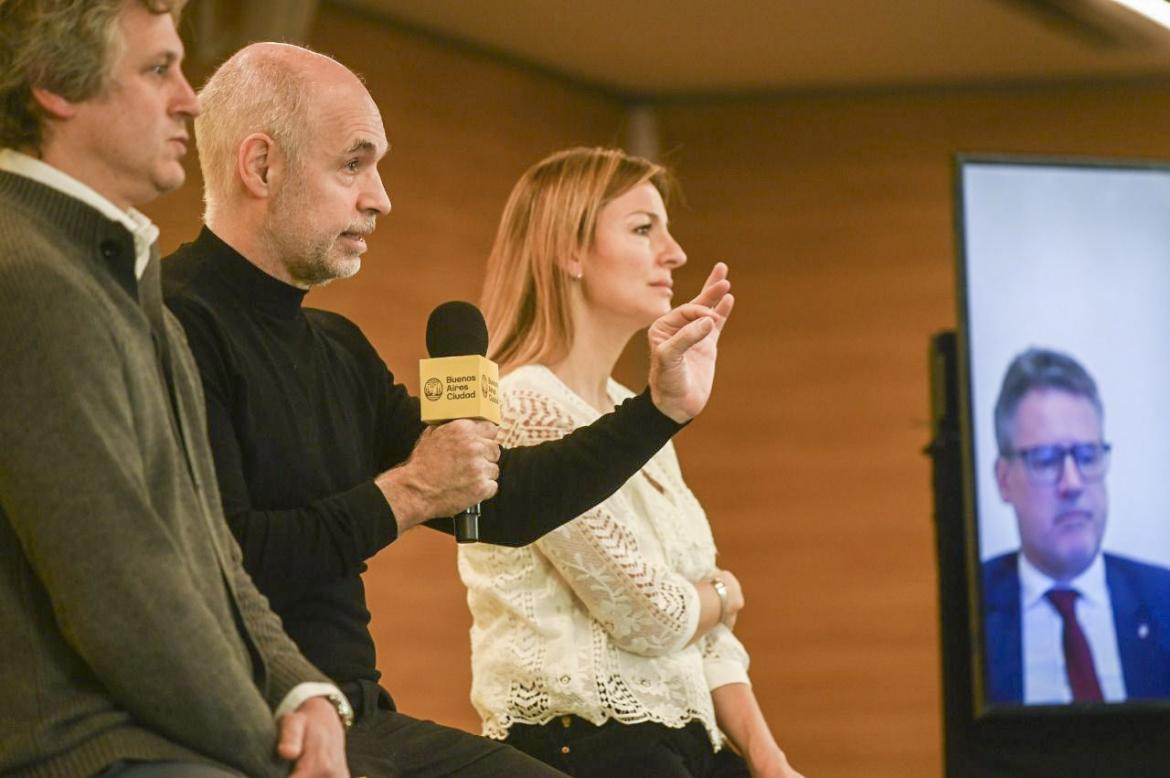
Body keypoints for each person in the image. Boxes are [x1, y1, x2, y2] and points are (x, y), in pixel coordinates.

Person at [161, 43, 733, 777]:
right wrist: (408, 492)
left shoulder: (335, 347)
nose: (380, 197)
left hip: (360, 715)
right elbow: (224, 562)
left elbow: (499, 501)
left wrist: (659, 411)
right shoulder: (173, 321)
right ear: (261, 166)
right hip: (236, 714)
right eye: (354, 164)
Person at [0, 3, 352, 777]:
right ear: (57, 85)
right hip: (87, 749)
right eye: (159, 69)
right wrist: (273, 755)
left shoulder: (115, 267)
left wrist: (302, 694)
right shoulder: (26, 276)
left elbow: (213, 553)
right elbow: (122, 594)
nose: (190, 98)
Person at [458, 147, 804, 778]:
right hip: (583, 751)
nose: (673, 253)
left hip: (689, 747)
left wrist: (770, 760)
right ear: (570, 250)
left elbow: (700, 627)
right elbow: (651, 614)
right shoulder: (522, 404)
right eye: (644, 229)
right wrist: (725, 592)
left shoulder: (633, 411)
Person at [983, 347, 1170, 705]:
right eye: (1046, 459)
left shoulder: (1164, 599)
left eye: (1087, 456)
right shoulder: (972, 608)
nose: (1072, 483)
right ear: (1004, 480)